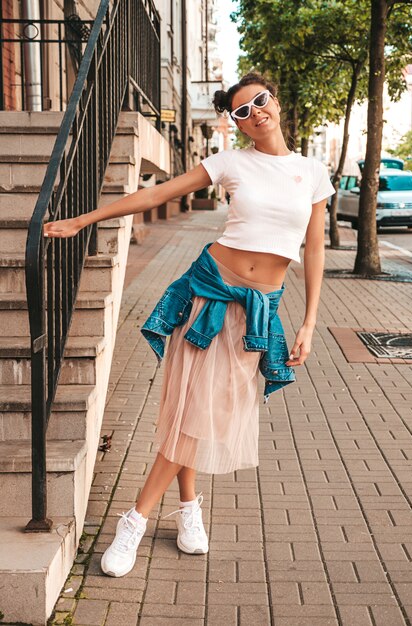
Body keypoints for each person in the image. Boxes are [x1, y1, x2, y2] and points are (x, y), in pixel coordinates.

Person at [44, 72, 335, 578]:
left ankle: (189, 510)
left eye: (260, 101)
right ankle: (135, 519)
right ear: (237, 124)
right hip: (207, 296)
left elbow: (313, 249)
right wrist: (83, 220)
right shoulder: (228, 162)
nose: (255, 113)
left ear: (276, 102)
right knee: (192, 406)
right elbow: (156, 197)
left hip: (257, 308)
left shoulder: (311, 173)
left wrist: (309, 322)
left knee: (201, 408)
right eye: (242, 111)